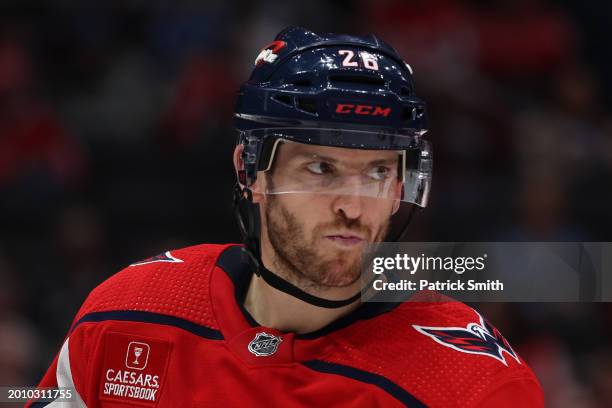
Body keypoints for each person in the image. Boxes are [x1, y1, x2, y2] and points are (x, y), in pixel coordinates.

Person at [28, 27, 543, 407]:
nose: (353, 205)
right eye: (322, 168)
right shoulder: (127, 315)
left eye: (379, 172)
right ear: (250, 170)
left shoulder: (473, 388)